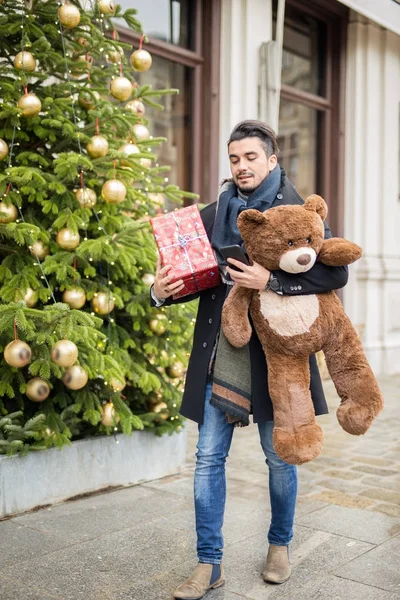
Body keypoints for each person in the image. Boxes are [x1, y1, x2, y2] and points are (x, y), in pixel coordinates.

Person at [150, 120, 348, 600]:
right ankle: (208, 564)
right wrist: (158, 291)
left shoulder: (301, 211)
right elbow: (192, 272)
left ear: (272, 160)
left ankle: (279, 545)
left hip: (277, 358)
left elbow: (334, 272)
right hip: (222, 351)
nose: (241, 166)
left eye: (250, 158)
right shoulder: (215, 211)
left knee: (280, 458)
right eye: (234, 158)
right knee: (207, 458)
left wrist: (274, 282)